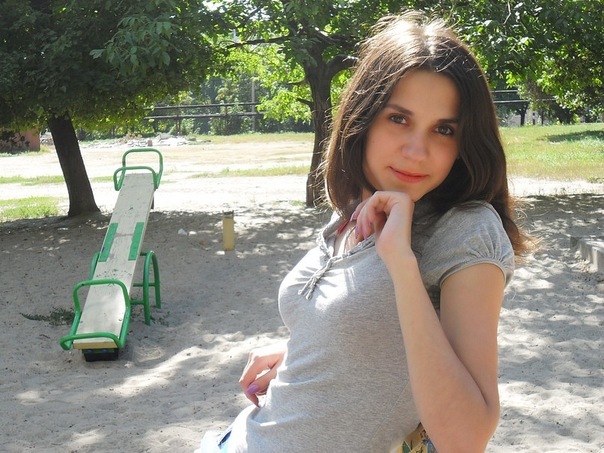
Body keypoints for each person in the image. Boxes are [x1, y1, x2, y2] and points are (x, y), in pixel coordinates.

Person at [196, 10, 527, 453]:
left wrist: (402, 264)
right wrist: (308, 351)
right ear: (363, 117)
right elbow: (369, 333)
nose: (417, 151)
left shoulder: (464, 229)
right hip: (235, 440)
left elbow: (465, 439)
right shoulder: (351, 212)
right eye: (399, 119)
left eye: (444, 129)